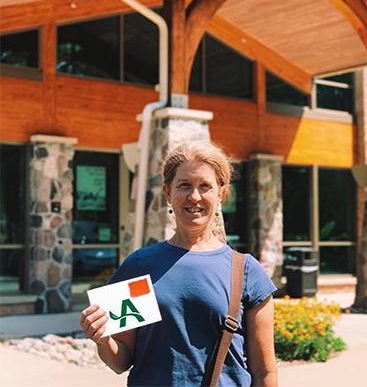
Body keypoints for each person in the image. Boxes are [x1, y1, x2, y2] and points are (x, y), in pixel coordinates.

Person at [80, 141, 278, 387]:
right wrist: (103, 339)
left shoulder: (246, 271)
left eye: (205, 186)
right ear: (167, 193)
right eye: (184, 185)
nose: (194, 196)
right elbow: (121, 361)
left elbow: (264, 373)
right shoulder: (140, 265)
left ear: (221, 195)